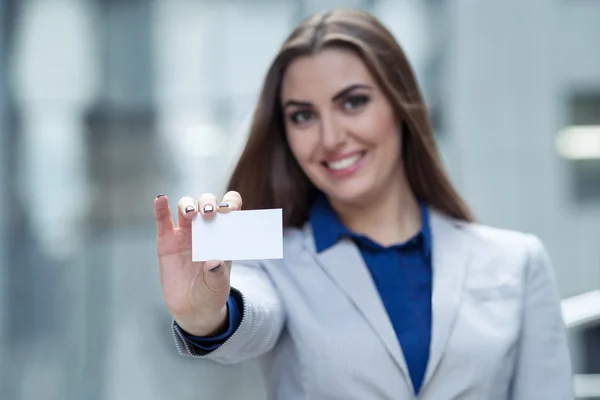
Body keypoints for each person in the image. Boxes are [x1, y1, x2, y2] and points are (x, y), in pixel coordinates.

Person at [153, 8, 573, 400]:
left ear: (401, 105)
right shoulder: (270, 262)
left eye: (353, 102)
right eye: (303, 116)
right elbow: (247, 314)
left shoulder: (518, 263)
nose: (331, 137)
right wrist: (206, 313)